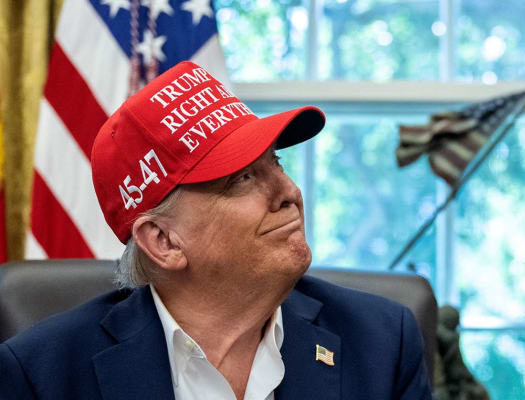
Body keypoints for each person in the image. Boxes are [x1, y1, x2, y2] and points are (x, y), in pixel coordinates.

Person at [0, 61, 431, 400]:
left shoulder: (380, 342)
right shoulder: (43, 375)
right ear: (164, 242)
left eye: (275, 164)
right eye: (241, 179)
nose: (289, 192)